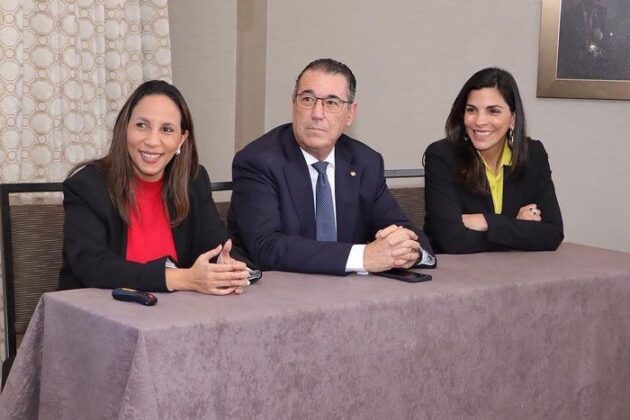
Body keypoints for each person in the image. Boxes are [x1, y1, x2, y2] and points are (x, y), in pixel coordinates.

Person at [228, 58, 435, 275]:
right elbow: (267, 247)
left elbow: (408, 233)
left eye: (331, 103)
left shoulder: (365, 162)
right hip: (279, 290)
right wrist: (363, 257)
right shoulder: (258, 161)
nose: (317, 113)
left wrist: (408, 251)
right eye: (307, 99)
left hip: (349, 292)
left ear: (350, 114)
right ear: (293, 104)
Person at [60, 80, 255, 295]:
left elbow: (217, 245)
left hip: (174, 312)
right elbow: (92, 265)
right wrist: (183, 279)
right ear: (124, 128)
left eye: (167, 129)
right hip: (98, 309)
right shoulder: (88, 185)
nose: (153, 141)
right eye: (142, 125)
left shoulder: (193, 181)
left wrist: (228, 268)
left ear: (181, 139)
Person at [423, 67, 564, 254]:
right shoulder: (442, 156)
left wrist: (483, 221)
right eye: (471, 110)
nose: (480, 121)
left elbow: (552, 233)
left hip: (516, 268)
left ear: (512, 118)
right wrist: (515, 226)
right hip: (455, 269)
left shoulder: (533, 154)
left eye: (493, 111)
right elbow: (452, 239)